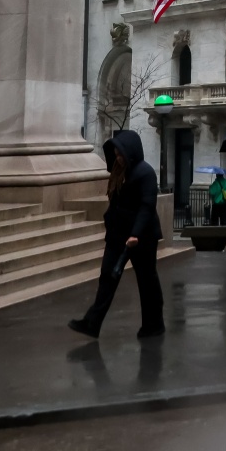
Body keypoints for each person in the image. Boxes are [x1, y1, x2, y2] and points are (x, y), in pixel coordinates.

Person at [64, 130, 165, 336]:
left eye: (121, 154)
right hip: (118, 234)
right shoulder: (119, 173)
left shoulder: (145, 173)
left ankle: (153, 324)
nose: (118, 158)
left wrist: (135, 234)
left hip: (142, 237)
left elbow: (147, 206)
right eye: (116, 154)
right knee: (107, 277)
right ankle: (92, 323)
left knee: (147, 280)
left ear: (131, 152)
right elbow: (116, 202)